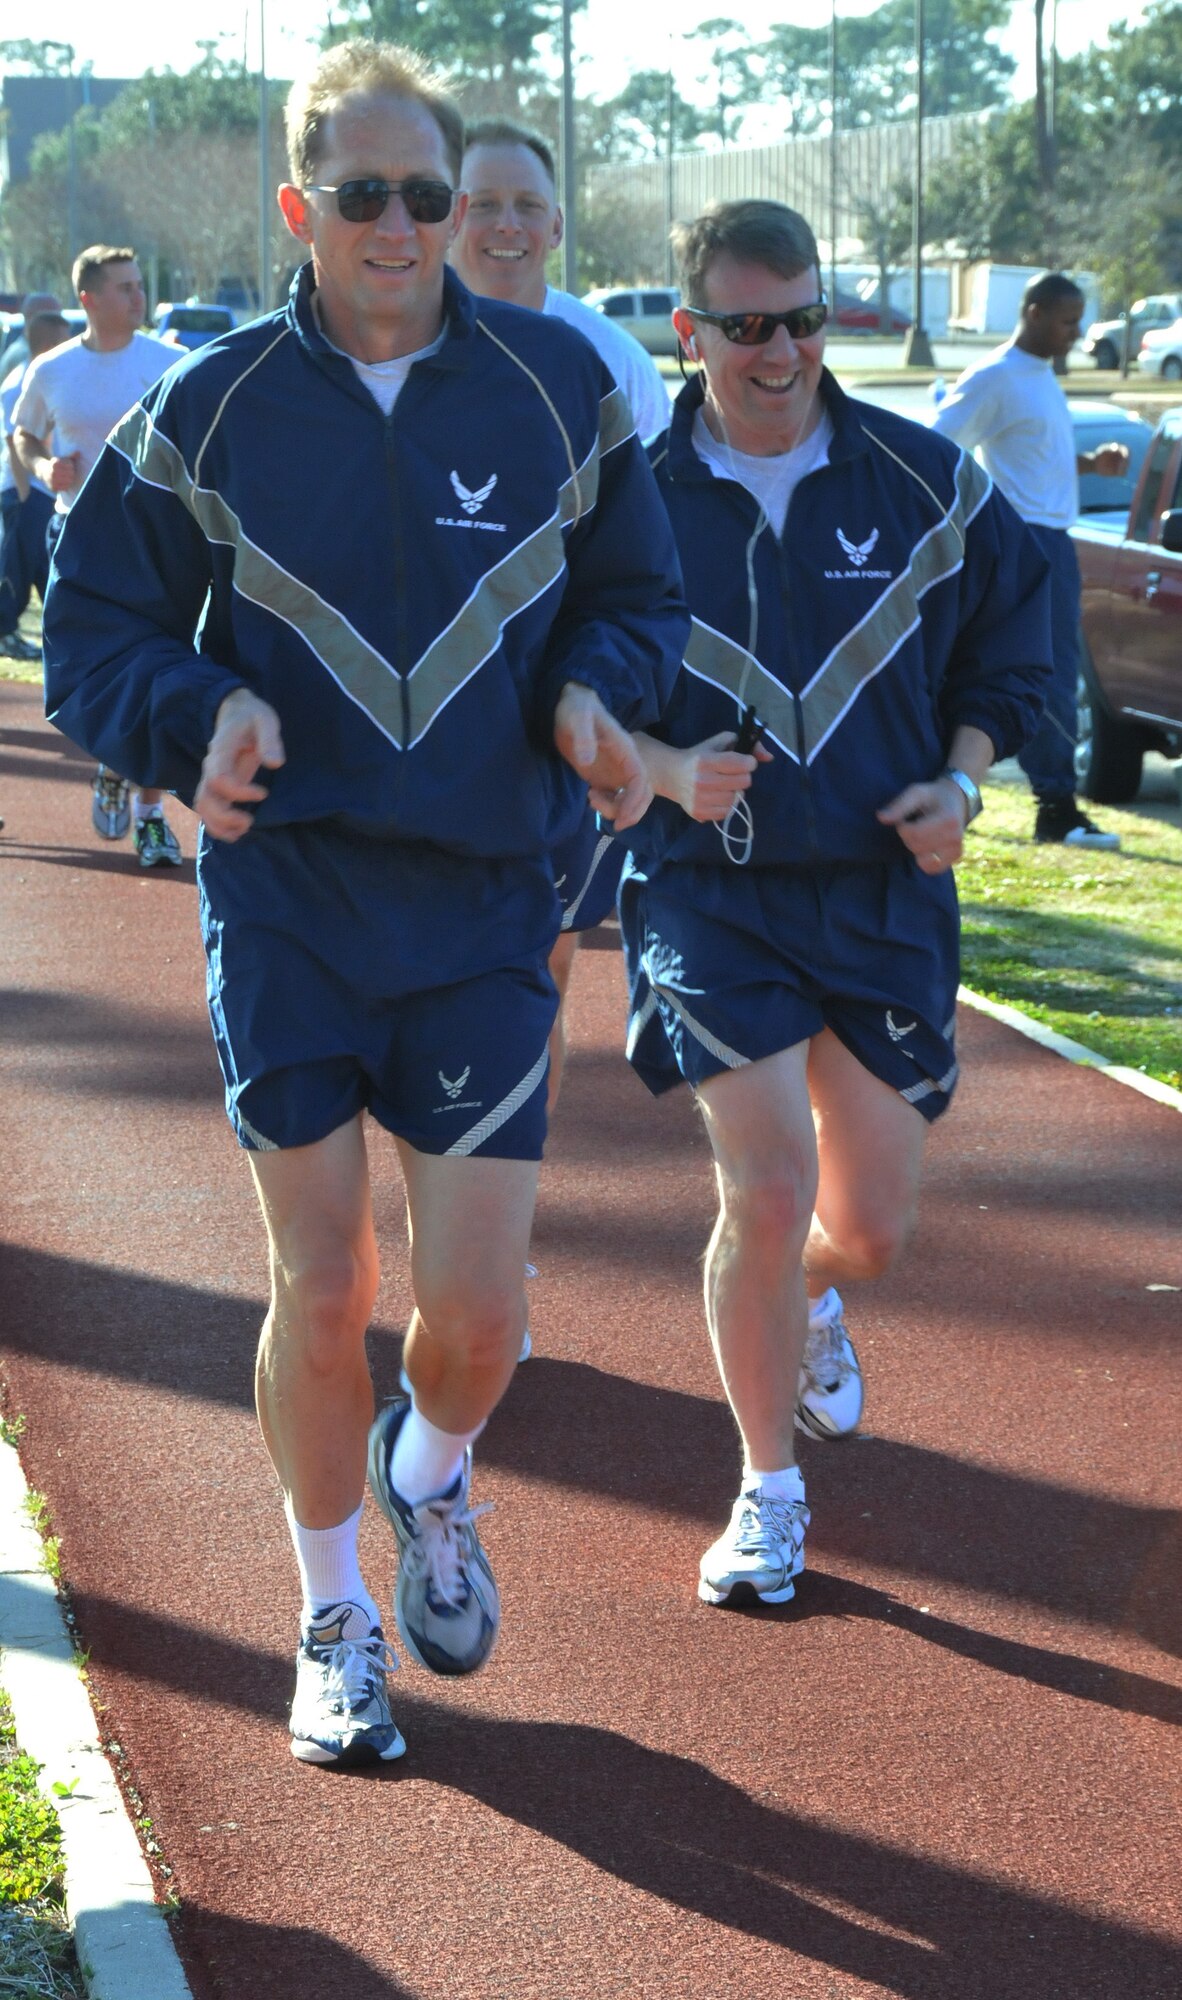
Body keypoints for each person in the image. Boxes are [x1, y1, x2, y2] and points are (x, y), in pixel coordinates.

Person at [42, 39, 686, 1766]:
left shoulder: (559, 387)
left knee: (471, 1318)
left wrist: (589, 695)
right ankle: (331, 1617)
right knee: (319, 1283)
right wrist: (197, 719)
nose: (400, 226)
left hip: (493, 897)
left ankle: (430, 1473)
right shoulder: (214, 404)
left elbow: (640, 600)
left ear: (466, 209)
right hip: (291, 898)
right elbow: (87, 629)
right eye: (363, 196)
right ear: (297, 208)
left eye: (430, 197)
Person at [619, 199, 1051, 1609]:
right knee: (762, 1182)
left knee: (865, 1231)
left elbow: (1016, 658)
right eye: (746, 325)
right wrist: (662, 764)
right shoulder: (626, 501)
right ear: (688, 333)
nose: (781, 349)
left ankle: (815, 1296)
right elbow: (564, 694)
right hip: (708, 893)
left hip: (878, 892)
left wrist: (965, 784)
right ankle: (764, 1491)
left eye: (802, 319)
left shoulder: (928, 485)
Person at [451, 117, 672, 1105]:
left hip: (560, 717)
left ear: (558, 225)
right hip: (413, 719)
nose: (505, 224)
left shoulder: (609, 360)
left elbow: (656, 551)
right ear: (443, 214)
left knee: (538, 974)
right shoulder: (389, 338)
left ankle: (506, 1216)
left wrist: (622, 705)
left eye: (526, 206)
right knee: (419, 988)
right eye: (481, 202)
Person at [930, 272, 1127, 851]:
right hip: (1026, 544)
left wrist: (1089, 463)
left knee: (1043, 669)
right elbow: (936, 446)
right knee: (1050, 670)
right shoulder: (996, 376)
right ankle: (1056, 808)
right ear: (1035, 312)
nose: (1077, 332)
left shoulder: (1039, 377)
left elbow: (1030, 456)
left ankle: (1048, 801)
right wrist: (983, 525)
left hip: (1053, 538)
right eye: (1068, 321)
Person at [13, 246, 183, 866]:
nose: (139, 298)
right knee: (93, 678)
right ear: (88, 298)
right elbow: (24, 434)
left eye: (141, 286)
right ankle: (114, 756)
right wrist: (41, 467)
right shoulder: (52, 370)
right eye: (124, 289)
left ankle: (152, 814)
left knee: (157, 672)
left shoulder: (173, 363)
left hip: (158, 543)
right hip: (77, 541)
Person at [1, 311, 71, 661]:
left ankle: (62, 636)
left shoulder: (50, 377)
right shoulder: (22, 382)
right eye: (63, 340)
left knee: (48, 568)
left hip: (45, 491)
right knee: (18, 565)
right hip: (24, 489)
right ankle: (5, 633)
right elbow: (16, 441)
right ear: (47, 344)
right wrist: (26, 495)